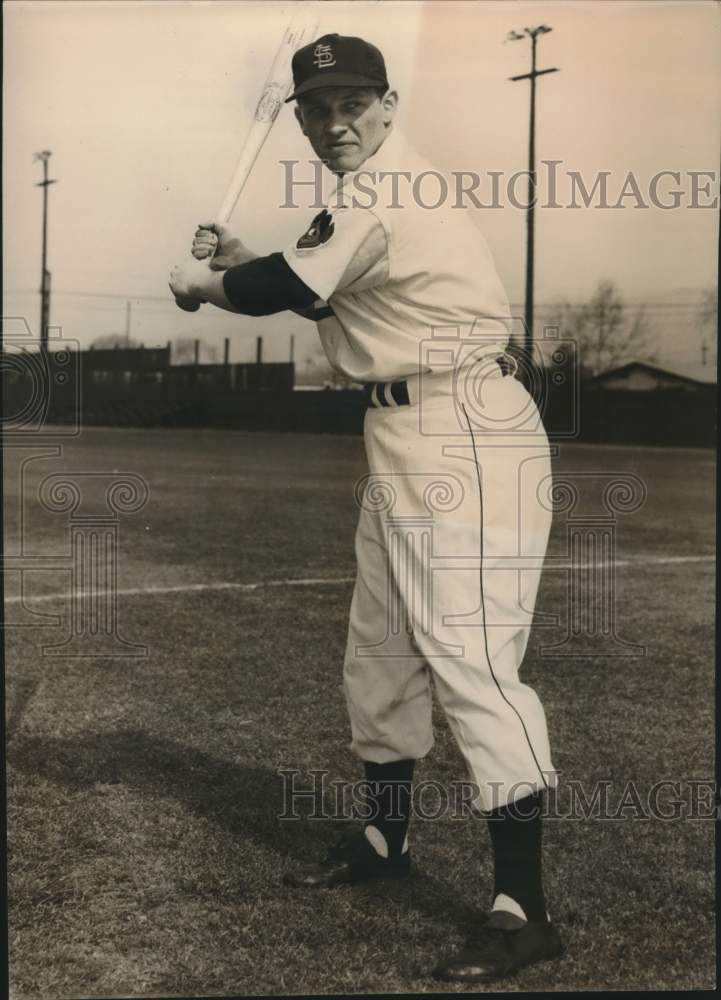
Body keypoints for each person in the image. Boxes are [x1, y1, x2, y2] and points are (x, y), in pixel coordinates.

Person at [169, 32, 563, 984]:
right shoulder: (362, 199)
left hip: (463, 428)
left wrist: (207, 285)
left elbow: (287, 286)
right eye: (317, 109)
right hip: (408, 429)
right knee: (379, 648)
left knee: (471, 658)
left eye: (353, 104)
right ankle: (386, 843)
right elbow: (332, 291)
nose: (335, 123)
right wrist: (249, 264)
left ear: (389, 107)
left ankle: (524, 911)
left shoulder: (387, 187)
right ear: (301, 119)